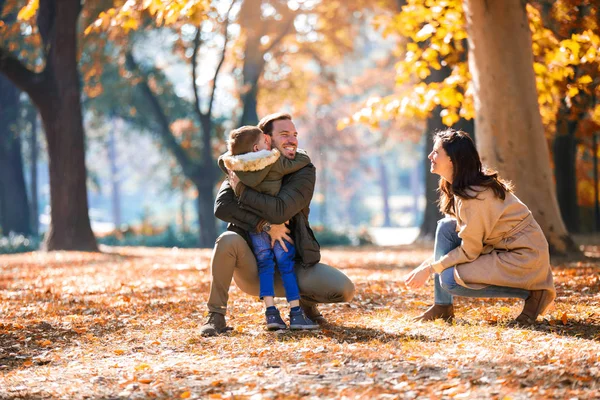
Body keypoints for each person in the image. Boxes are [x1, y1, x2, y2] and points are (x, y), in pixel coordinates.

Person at [200, 113, 355, 336]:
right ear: (267, 139)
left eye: (294, 135)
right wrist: (264, 225)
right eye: (284, 134)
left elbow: (280, 210)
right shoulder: (241, 164)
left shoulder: (303, 169)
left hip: (293, 263)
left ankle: (304, 305)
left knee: (343, 289)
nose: (292, 139)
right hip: (253, 264)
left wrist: (242, 191)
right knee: (227, 240)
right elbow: (222, 207)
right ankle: (215, 317)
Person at [404, 129, 556, 325]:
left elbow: (469, 251)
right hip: (502, 248)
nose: (430, 156)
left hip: (523, 256)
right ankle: (442, 306)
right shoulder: (461, 187)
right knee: (446, 227)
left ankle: (535, 292)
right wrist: (424, 267)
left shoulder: (474, 197)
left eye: (436, 152)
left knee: (449, 278)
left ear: (452, 160)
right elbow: (464, 237)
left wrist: (431, 269)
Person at [218, 125, 318, 330]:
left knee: (265, 266)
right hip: (278, 227)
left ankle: (271, 313)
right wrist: (297, 153)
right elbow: (301, 160)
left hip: (257, 228)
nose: (268, 144)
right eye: (264, 142)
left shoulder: (236, 169)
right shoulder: (272, 161)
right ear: (257, 148)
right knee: (286, 266)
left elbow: (223, 161)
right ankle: (296, 313)